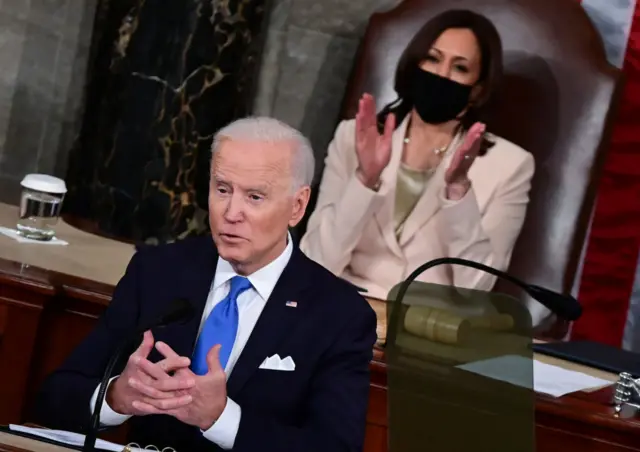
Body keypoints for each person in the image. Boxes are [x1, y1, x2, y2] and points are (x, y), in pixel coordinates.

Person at [35, 117, 377, 452]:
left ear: (297, 206)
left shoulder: (339, 314)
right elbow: (57, 397)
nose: (231, 212)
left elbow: (334, 446)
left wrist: (223, 419)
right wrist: (114, 398)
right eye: (223, 189)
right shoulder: (158, 272)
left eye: (254, 197)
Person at [300, 10, 535, 301]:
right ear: (415, 65)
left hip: (427, 328)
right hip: (342, 311)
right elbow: (316, 262)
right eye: (433, 59)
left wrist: (458, 191)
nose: (441, 75)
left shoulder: (510, 165)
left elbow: (475, 288)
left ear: (478, 89)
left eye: (460, 68)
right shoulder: (354, 137)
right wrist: (365, 180)